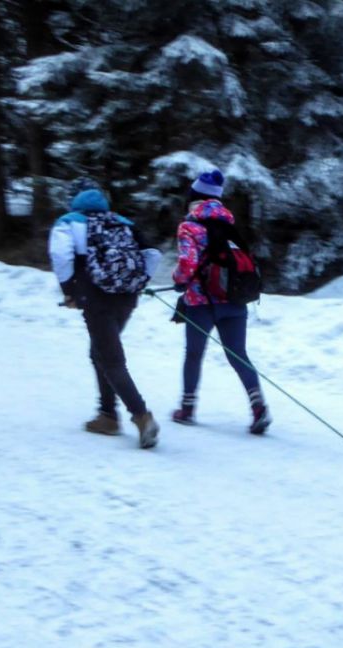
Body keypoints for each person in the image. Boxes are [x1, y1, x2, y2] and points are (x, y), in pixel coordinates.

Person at [48, 178, 161, 448]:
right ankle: (107, 415)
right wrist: (139, 281)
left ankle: (141, 417)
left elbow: (61, 256)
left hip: (95, 297)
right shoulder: (122, 221)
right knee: (100, 352)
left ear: (74, 198)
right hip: (127, 297)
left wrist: (69, 291)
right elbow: (152, 254)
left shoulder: (69, 221)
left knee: (110, 359)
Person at [170, 169, 272, 435]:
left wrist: (179, 281)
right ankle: (258, 406)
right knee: (239, 355)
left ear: (194, 196)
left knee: (194, 355)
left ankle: (187, 408)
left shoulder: (189, 226)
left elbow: (187, 263)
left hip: (201, 302)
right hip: (235, 300)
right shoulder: (229, 225)